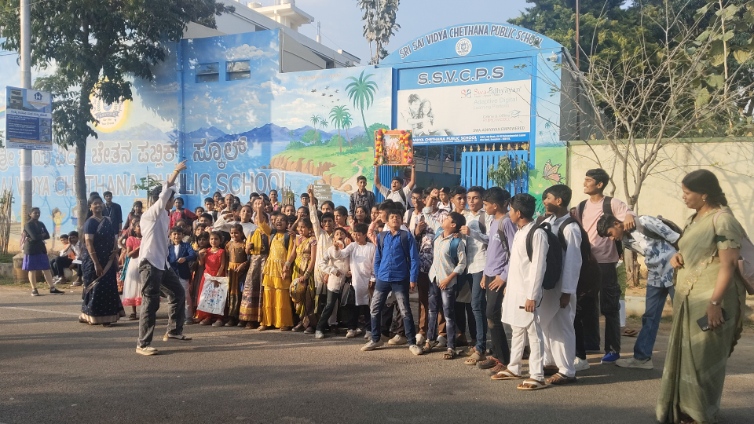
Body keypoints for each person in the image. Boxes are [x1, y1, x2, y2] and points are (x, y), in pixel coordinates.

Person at [656, 170, 747, 424]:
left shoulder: (723, 220)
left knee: (703, 359)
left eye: (687, 192)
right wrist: (678, 257)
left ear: (704, 194)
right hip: (689, 298)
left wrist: (714, 303)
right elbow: (693, 250)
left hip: (713, 299)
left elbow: (728, 265)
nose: (683, 197)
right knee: (687, 356)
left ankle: (699, 414)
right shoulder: (694, 219)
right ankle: (684, 410)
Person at [597, 213, 679, 370]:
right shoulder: (625, 241)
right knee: (649, 317)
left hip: (674, 271)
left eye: (610, 234)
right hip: (655, 275)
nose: (612, 239)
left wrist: (682, 259)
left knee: (685, 314)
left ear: (616, 223)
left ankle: (695, 358)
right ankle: (642, 358)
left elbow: (678, 239)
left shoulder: (644, 222)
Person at [577, 168, 635, 364]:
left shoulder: (612, 203)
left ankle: (612, 349)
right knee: (587, 304)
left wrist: (629, 215)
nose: (585, 183)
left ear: (599, 184)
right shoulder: (582, 206)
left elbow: (629, 215)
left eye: (588, 180)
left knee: (609, 307)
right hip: (587, 263)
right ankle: (591, 342)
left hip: (607, 263)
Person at [136, 161, 191, 356]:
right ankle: (143, 344)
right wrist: (175, 172)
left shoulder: (165, 216)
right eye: (170, 199)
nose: (172, 201)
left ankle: (174, 331)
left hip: (162, 264)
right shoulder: (151, 214)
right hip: (150, 264)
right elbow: (165, 191)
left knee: (178, 293)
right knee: (150, 303)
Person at [493, 194, 548, 391]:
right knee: (517, 329)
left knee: (534, 333)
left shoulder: (537, 234)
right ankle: (514, 367)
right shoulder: (520, 232)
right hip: (515, 291)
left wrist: (532, 295)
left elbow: (538, 267)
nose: (509, 213)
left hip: (528, 293)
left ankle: (537, 375)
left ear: (518, 213)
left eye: (511, 210)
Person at [361, 208, 423, 356]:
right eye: (392, 217)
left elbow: (414, 259)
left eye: (398, 217)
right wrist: (377, 274)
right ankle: (376, 339)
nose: (395, 219)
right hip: (383, 278)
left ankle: (412, 342)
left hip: (400, 278)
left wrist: (413, 278)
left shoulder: (406, 236)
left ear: (401, 220)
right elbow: (378, 257)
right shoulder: (382, 236)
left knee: (404, 310)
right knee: (374, 308)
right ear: (387, 222)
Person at [539, 185, 582, 385]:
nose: (544, 201)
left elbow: (573, 261)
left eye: (548, 198)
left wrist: (567, 292)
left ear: (559, 201)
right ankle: (550, 362)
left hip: (562, 286)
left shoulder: (570, 228)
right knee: (546, 324)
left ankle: (567, 370)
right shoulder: (548, 222)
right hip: (549, 284)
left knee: (563, 326)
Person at [475, 187, 516, 374]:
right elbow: (492, 250)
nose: (484, 208)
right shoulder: (494, 222)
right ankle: (498, 355)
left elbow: (514, 252)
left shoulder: (507, 222)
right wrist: (486, 273)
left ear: (496, 205)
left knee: (492, 314)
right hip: (491, 273)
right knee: (491, 315)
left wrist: (504, 276)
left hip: (500, 275)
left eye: (486, 204)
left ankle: (504, 359)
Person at [421, 211, 467, 359]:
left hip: (447, 282)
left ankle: (451, 346)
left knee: (448, 314)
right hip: (434, 278)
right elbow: (427, 214)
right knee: (432, 311)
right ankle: (429, 341)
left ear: (453, 225)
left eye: (447, 219)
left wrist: (449, 279)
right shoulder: (438, 233)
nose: (444, 219)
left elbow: (462, 264)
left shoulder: (457, 242)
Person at [410, 187, 449, 347]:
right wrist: (417, 231)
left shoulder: (443, 215)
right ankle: (422, 330)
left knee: (440, 300)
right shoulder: (419, 216)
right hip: (423, 263)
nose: (430, 202)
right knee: (424, 299)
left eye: (433, 199)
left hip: (439, 264)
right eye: (428, 199)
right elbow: (413, 239)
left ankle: (442, 333)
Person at [459, 186, 492, 365]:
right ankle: (479, 343)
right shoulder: (464, 216)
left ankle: (481, 347)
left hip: (481, 264)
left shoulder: (486, 217)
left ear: (482, 199)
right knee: (477, 306)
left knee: (477, 305)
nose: (471, 201)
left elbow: (491, 240)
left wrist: (472, 233)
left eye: (475, 198)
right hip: (468, 266)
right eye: (469, 198)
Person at [79, 196, 124, 325]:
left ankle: (108, 317)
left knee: (109, 287)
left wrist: (115, 250)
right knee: (96, 287)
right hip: (94, 260)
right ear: (90, 207)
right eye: (95, 204)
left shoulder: (108, 220)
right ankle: (91, 315)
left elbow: (114, 238)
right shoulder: (90, 223)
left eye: (100, 203)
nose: (98, 205)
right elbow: (89, 243)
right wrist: (96, 263)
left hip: (108, 259)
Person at [331, 223, 375, 338]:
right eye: (354, 234)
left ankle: (369, 329)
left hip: (367, 280)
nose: (356, 237)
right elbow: (341, 255)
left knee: (367, 306)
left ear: (365, 235)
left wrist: (372, 278)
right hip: (355, 280)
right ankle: (352, 328)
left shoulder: (371, 247)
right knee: (353, 305)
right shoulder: (352, 246)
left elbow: (374, 263)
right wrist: (336, 248)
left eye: (359, 234)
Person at [259, 212, 295, 331]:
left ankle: (283, 322)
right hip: (270, 269)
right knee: (268, 295)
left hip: (282, 269)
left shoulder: (289, 236)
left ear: (287, 224)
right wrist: (259, 209)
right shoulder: (272, 233)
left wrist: (286, 268)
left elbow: (291, 253)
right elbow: (261, 223)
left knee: (281, 296)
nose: (279, 221)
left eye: (282, 220)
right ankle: (267, 322)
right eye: (277, 220)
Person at [315, 227, 352, 339]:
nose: (340, 235)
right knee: (330, 305)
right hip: (334, 282)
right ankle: (319, 329)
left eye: (342, 233)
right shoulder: (331, 249)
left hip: (346, 282)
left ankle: (350, 328)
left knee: (347, 305)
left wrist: (350, 271)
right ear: (334, 238)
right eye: (337, 234)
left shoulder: (350, 249)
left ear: (346, 236)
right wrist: (332, 270)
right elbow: (321, 263)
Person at [239, 202, 271, 329]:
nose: (259, 220)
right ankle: (248, 318)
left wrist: (259, 209)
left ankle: (262, 318)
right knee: (251, 288)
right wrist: (248, 248)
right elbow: (247, 252)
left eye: (261, 218)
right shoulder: (251, 233)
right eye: (256, 218)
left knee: (263, 289)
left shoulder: (269, 233)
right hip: (254, 262)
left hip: (265, 261)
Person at [24, 207, 64, 296]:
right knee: (32, 269)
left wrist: (39, 236)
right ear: (30, 214)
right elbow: (34, 237)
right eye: (35, 213)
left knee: (46, 268)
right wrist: (41, 235)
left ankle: (52, 288)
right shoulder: (28, 224)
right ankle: (34, 289)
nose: (37, 214)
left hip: (41, 249)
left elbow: (47, 235)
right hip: (31, 249)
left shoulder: (41, 224)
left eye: (38, 213)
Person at [287, 218, 318, 333]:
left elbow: (313, 259)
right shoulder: (297, 239)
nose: (300, 229)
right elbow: (292, 254)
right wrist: (286, 265)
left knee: (308, 297)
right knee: (298, 296)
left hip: (307, 271)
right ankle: (301, 321)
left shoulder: (312, 240)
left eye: (303, 227)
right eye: (299, 227)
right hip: (297, 270)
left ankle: (310, 324)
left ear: (309, 229)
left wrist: (306, 274)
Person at [167, 226, 198, 326]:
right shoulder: (169, 248)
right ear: (170, 236)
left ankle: (188, 316)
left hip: (183, 274)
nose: (177, 236)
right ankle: (174, 316)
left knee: (186, 295)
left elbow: (193, 255)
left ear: (182, 235)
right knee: (172, 296)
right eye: (174, 234)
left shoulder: (187, 245)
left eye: (179, 234)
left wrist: (185, 258)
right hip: (172, 275)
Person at [224, 224, 249, 327]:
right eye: (232, 233)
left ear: (241, 233)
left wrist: (243, 265)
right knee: (231, 294)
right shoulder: (228, 245)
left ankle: (241, 318)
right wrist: (226, 269)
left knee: (241, 294)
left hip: (241, 272)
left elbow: (249, 259)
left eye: (236, 233)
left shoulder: (245, 245)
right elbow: (225, 258)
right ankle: (231, 317)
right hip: (231, 272)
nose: (234, 235)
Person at [121, 220, 143, 320]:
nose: (141, 228)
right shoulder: (131, 239)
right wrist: (137, 249)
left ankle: (146, 310)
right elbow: (129, 254)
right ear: (134, 229)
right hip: (134, 263)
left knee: (144, 286)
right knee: (134, 286)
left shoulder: (147, 238)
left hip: (145, 263)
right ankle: (134, 312)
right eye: (139, 226)